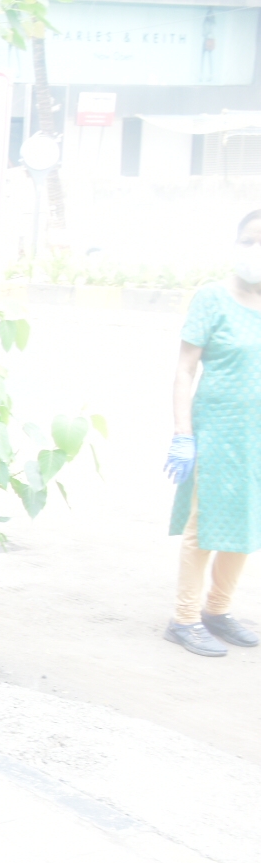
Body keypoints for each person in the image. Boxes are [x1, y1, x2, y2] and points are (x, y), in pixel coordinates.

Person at [163, 208, 261, 656]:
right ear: (235, 245)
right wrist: (183, 434)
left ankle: (217, 611)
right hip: (215, 433)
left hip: (255, 438)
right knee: (203, 525)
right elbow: (184, 371)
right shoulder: (211, 299)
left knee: (247, 522)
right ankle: (184, 619)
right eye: (249, 240)